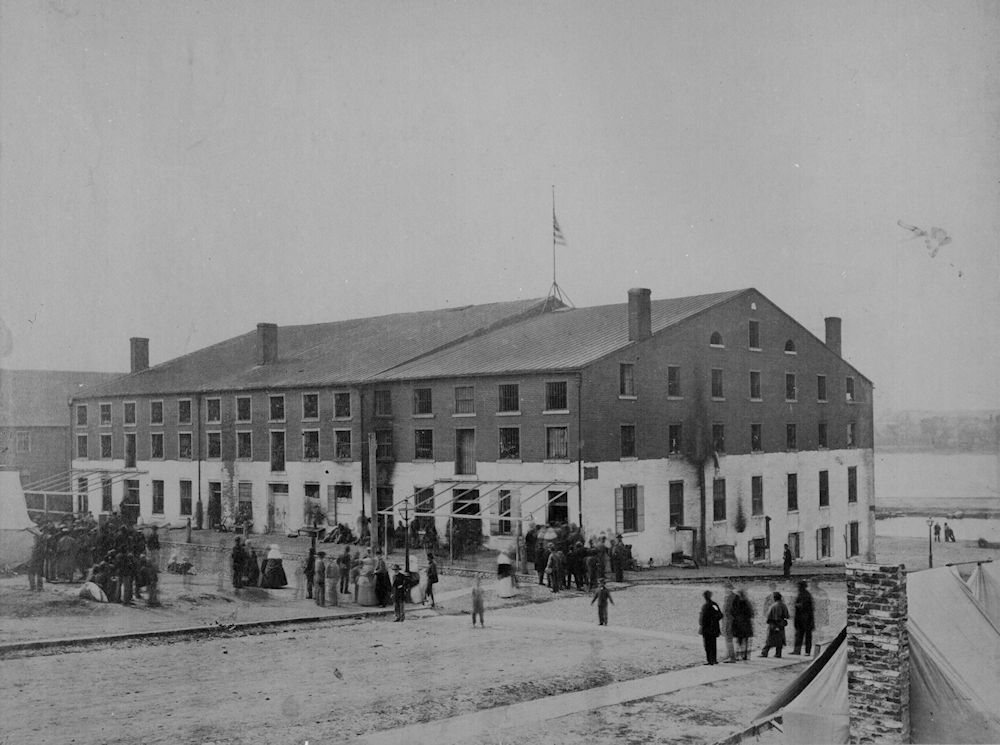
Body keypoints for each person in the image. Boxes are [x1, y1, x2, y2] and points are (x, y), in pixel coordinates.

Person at [760, 591, 790, 658]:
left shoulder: (773, 606)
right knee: (780, 640)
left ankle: (764, 653)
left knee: (769, 640)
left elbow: (769, 616)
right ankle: (778, 653)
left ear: (774, 598)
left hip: (773, 625)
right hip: (781, 625)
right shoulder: (784, 605)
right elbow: (787, 616)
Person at [699, 590, 724, 664]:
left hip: (707, 628)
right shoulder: (714, 604)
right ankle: (713, 659)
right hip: (713, 628)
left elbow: (719, 615)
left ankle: (710, 660)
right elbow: (720, 615)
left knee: (707, 645)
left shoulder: (707, 605)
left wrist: (711, 621)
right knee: (713, 644)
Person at [791, 580, 815, 655]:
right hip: (803, 618)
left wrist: (796, 605)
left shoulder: (805, 595)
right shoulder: (804, 594)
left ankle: (805, 651)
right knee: (800, 635)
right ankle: (798, 650)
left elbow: (804, 606)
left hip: (805, 619)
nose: (798, 588)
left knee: (805, 635)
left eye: (799, 586)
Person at [731, 588, 755, 661]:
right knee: (745, 640)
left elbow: (732, 612)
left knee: (738, 640)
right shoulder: (747, 603)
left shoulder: (735, 602)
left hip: (738, 624)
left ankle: (738, 655)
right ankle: (745, 655)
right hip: (746, 624)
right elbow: (751, 614)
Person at [722, 583, 737, 663]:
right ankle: (729, 654)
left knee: (728, 638)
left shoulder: (729, 598)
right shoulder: (732, 596)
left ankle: (732, 657)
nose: (724, 590)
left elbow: (726, 610)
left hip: (729, 620)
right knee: (728, 638)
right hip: (729, 619)